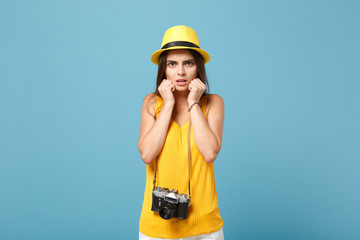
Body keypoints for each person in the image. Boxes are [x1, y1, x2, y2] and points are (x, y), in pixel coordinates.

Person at [138, 25, 225, 240]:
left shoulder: (213, 103)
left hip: (204, 225)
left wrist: (193, 103)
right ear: (164, 69)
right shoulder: (152, 103)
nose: (181, 72)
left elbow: (210, 153)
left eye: (188, 63)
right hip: (157, 225)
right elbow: (147, 154)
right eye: (172, 64)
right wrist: (167, 106)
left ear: (198, 68)